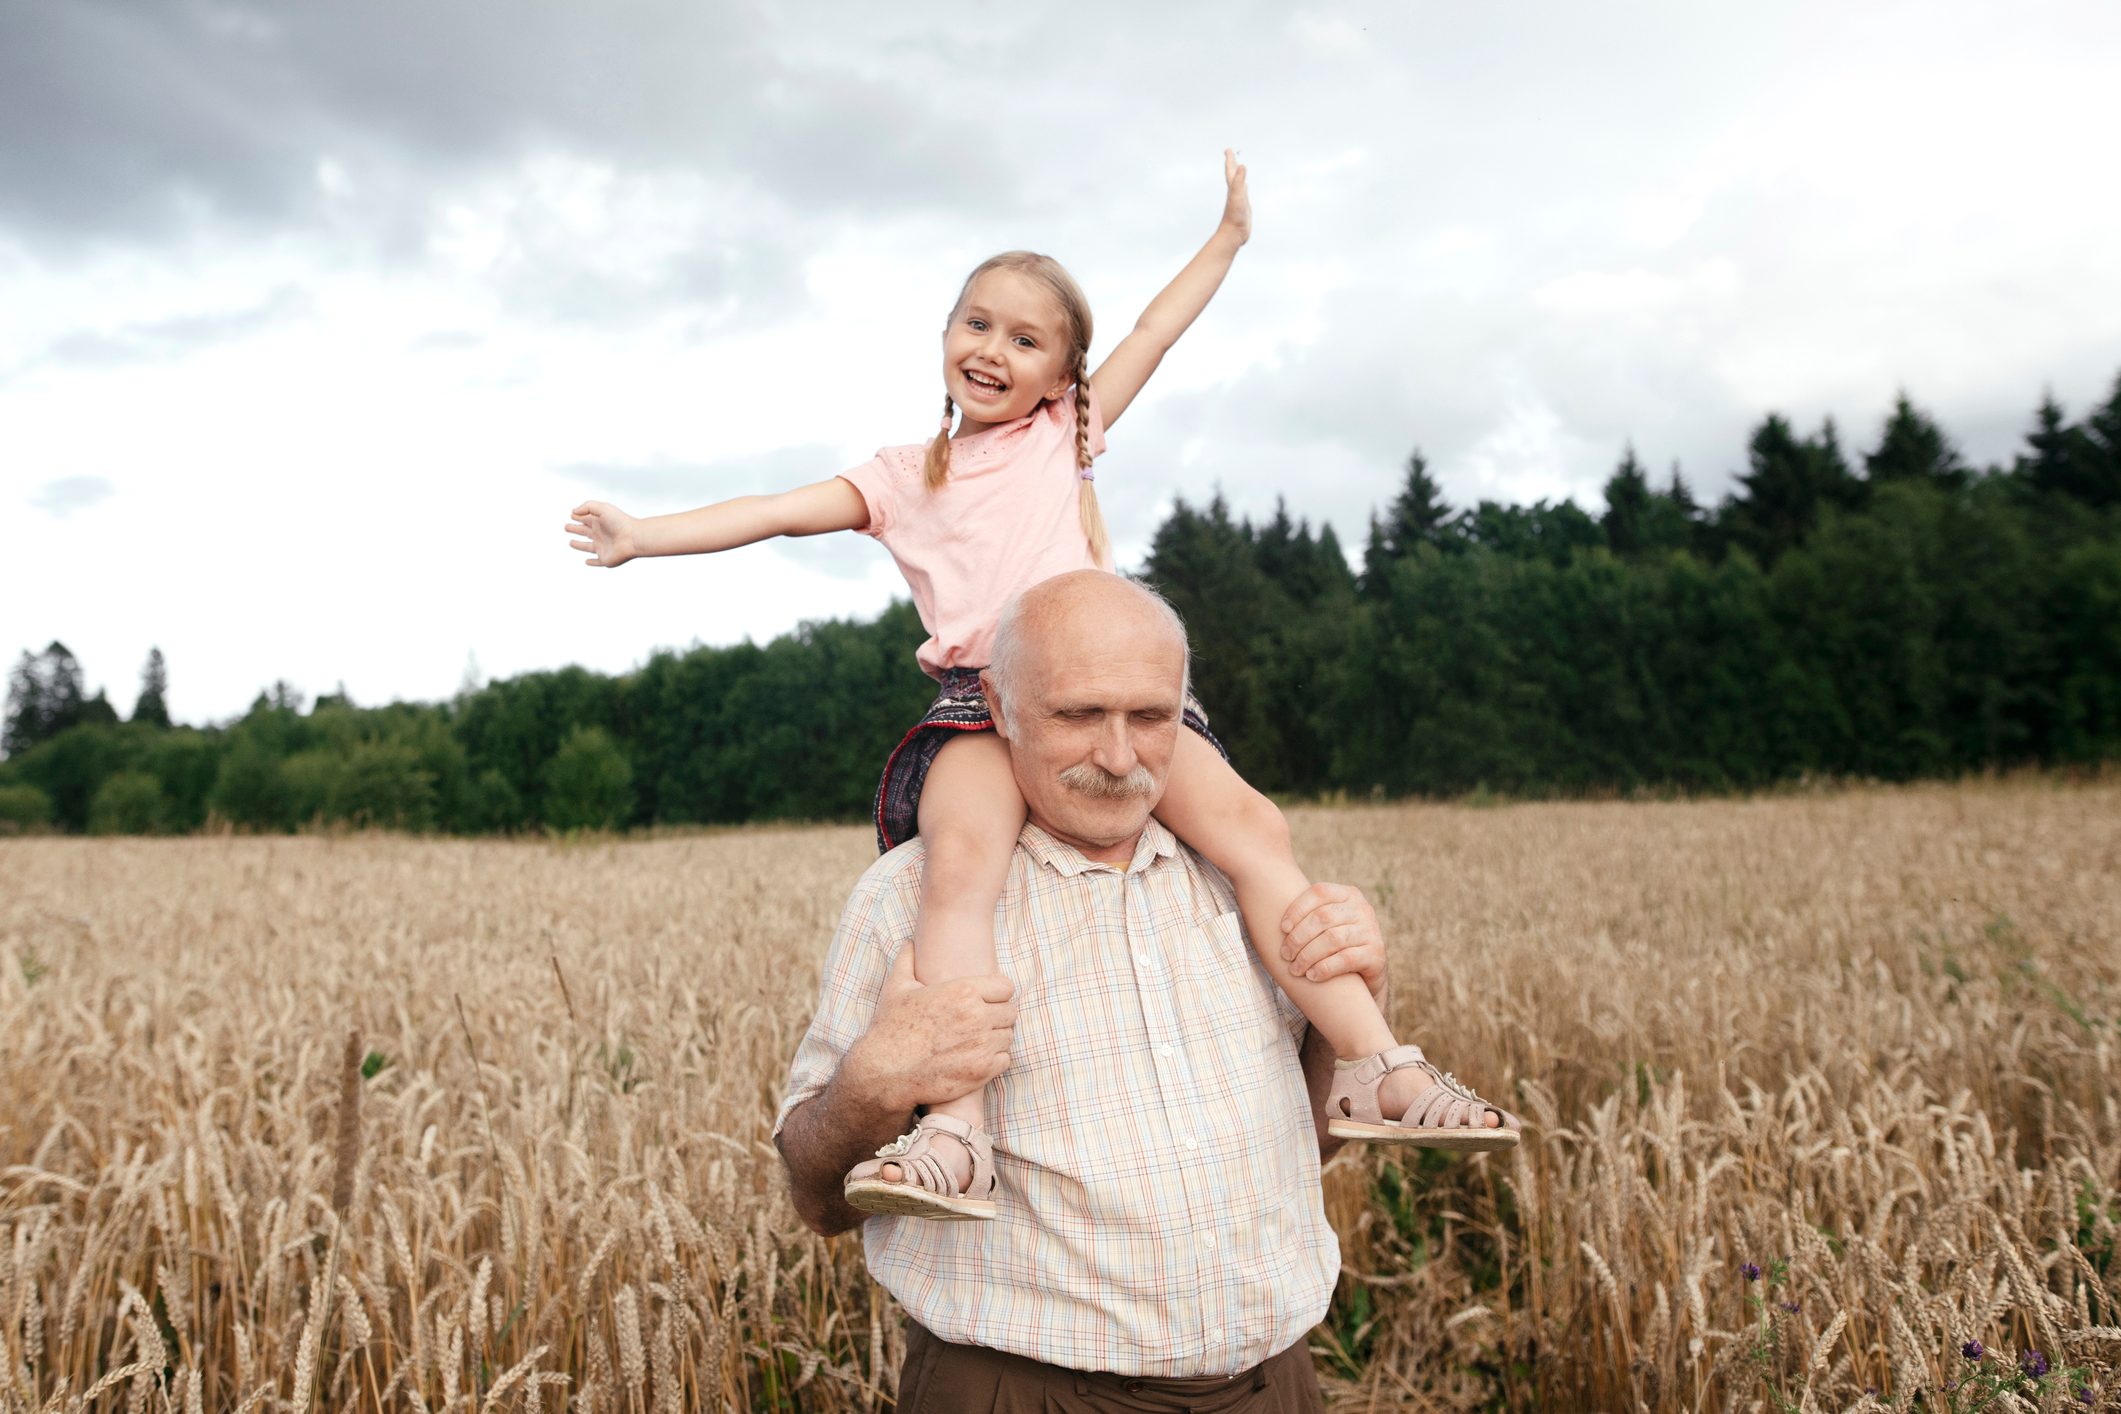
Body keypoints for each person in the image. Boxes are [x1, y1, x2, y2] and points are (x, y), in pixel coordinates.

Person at [565, 151, 1519, 1222]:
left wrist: (1230, 239)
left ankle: (1373, 1062)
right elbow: (778, 511)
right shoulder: (898, 476)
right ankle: (959, 1133)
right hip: (981, 698)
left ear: (1063, 378)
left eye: (1026, 338)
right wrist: (645, 535)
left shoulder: (1063, 434)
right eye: (977, 323)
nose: (994, 348)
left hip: (1102, 677)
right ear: (944, 342)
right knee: (960, 870)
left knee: (1253, 827)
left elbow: (1157, 330)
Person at [776, 571, 1392, 1406]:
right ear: (997, 707)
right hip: (1018, 1391)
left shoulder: (1247, 882)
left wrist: (1358, 995)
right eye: (1078, 715)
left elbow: (1310, 1142)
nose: (1118, 755)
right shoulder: (907, 900)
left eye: (1150, 717)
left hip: (1271, 1385)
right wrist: (877, 1080)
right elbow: (817, 1200)